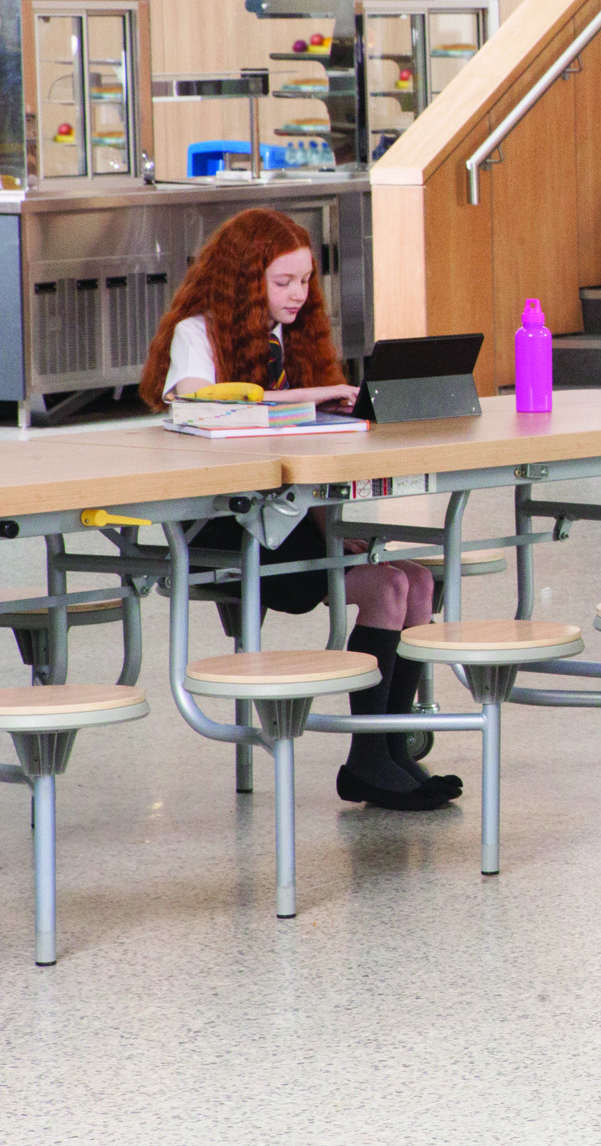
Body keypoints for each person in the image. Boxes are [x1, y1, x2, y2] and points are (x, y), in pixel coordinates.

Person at [138, 207, 459, 813]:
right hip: (228, 525)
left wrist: (335, 533)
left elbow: (299, 459)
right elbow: (197, 403)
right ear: (245, 279)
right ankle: (369, 761)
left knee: (414, 580)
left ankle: (385, 754)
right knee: (391, 587)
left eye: (305, 281)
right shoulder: (197, 333)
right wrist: (315, 396)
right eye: (282, 282)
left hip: (285, 520)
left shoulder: (288, 339)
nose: (297, 294)